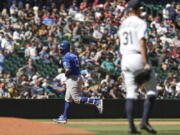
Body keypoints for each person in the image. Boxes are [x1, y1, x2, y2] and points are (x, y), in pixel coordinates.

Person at [118, 0, 157, 134]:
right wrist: (146, 62)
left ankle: (131, 127)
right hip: (137, 56)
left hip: (125, 58)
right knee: (151, 89)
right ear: (138, 8)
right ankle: (144, 121)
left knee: (130, 93)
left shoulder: (123, 24)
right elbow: (142, 43)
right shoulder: (140, 22)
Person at [53, 42, 103, 123]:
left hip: (73, 79)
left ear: (65, 49)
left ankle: (96, 102)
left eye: (61, 49)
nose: (60, 50)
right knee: (68, 99)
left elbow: (68, 70)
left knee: (76, 99)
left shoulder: (65, 57)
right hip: (77, 77)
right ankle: (64, 118)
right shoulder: (74, 55)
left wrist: (65, 75)